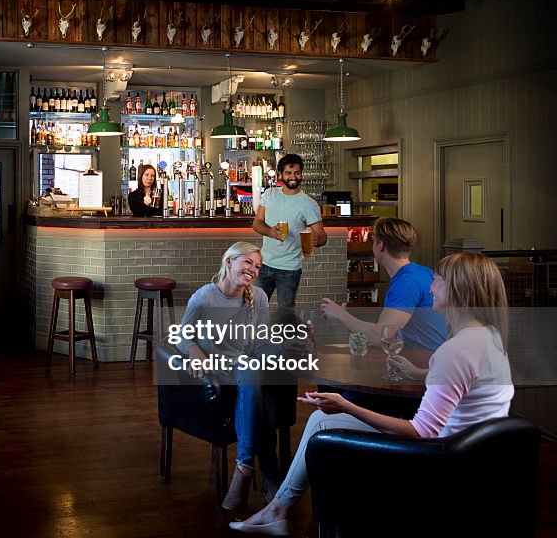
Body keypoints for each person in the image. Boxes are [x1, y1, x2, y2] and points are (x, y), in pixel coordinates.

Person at [230, 252, 514, 536]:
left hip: (439, 460)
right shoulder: (489, 337)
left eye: (437, 280)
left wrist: (346, 406)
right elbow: (465, 387)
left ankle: (279, 510)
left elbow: (421, 431)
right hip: (476, 456)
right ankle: (277, 510)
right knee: (320, 420)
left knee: (322, 423)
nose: (430, 287)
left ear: (458, 290)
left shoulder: (456, 350)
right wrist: (418, 373)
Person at [178, 242, 284, 513]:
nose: (253, 269)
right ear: (229, 262)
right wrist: (192, 351)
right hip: (216, 372)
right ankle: (271, 478)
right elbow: (181, 335)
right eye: (248, 262)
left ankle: (244, 468)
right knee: (265, 406)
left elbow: (261, 344)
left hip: (244, 369)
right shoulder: (203, 297)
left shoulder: (258, 297)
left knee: (257, 389)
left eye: (257, 266)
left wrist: (291, 344)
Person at [321, 218, 447, 351]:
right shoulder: (422, 272)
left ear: (380, 245)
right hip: (423, 358)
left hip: (420, 363)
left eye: (373, 241)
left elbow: (380, 337)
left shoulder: (406, 283)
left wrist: (340, 314)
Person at [252, 153, 326, 309]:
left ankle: (285, 334)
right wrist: (270, 231)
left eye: (297, 173)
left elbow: (321, 236)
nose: (293, 177)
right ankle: (256, 334)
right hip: (264, 263)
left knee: (286, 314)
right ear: (280, 175)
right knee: (253, 308)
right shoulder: (269, 194)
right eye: (288, 173)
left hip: (290, 269)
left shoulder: (309, 204)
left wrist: (317, 240)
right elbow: (257, 223)